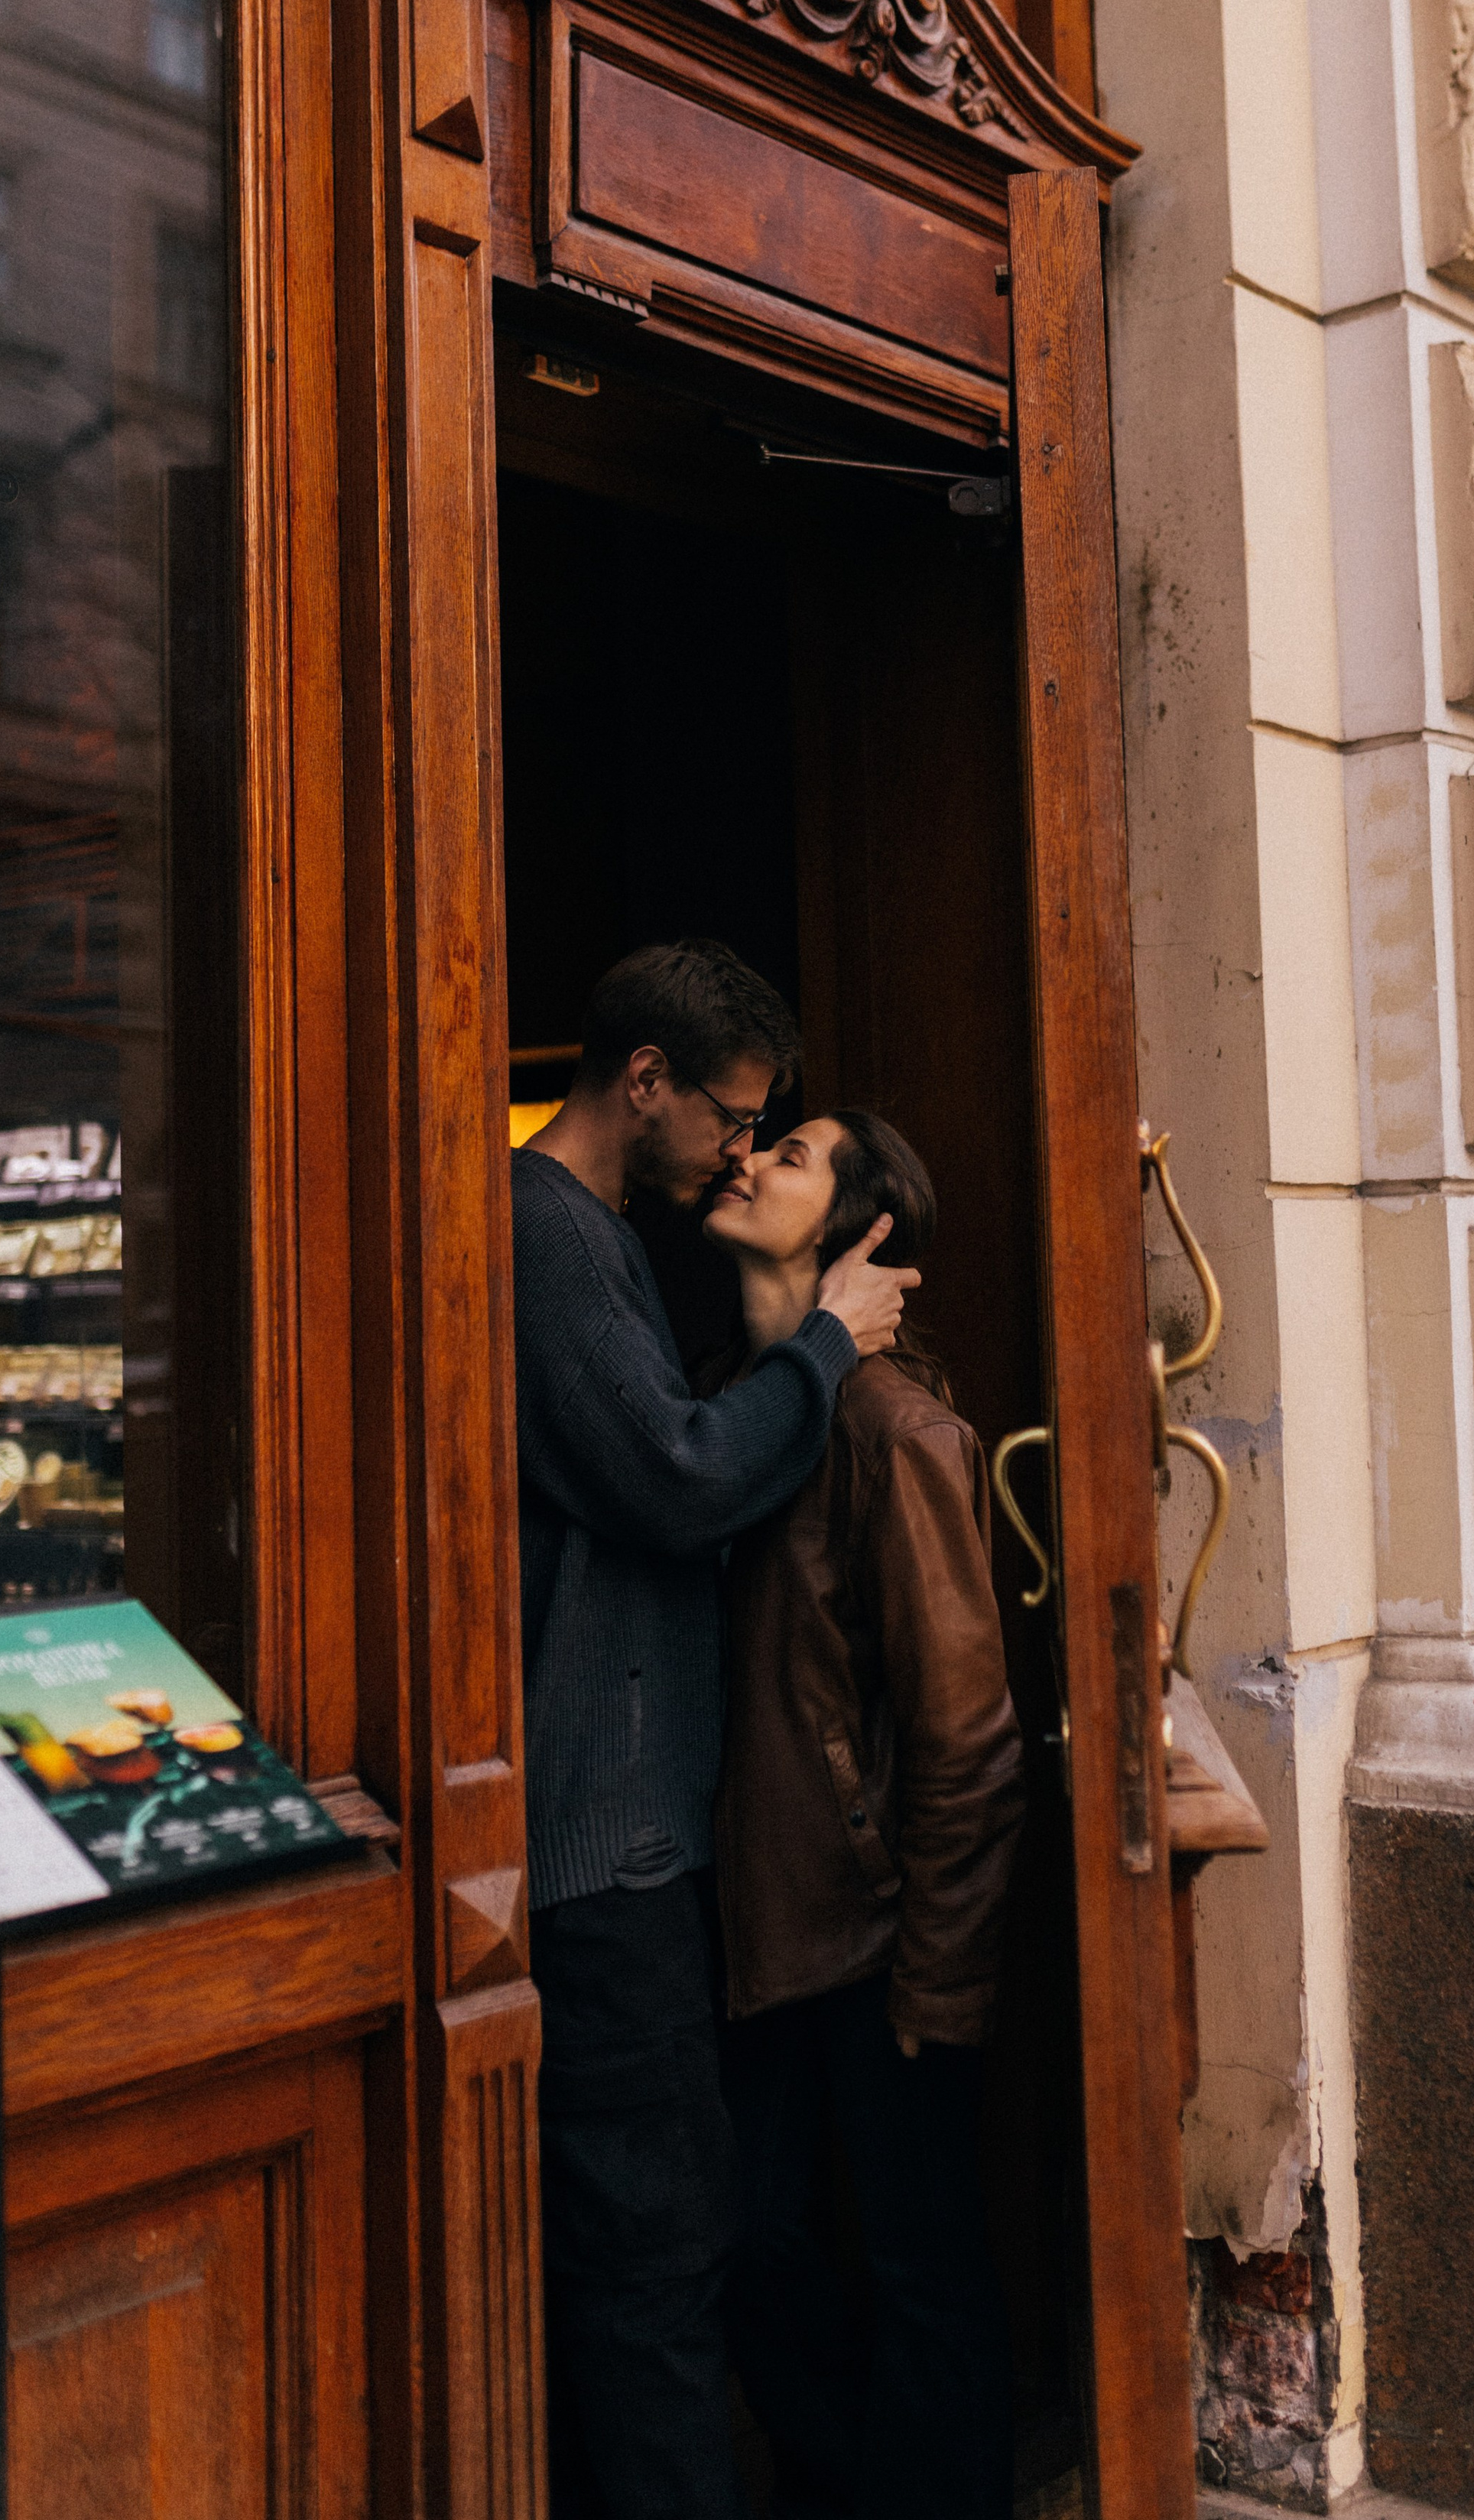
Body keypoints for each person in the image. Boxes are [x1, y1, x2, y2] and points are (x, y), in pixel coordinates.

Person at [512, 944, 918, 2520]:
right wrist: (826, 1342)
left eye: (767, 1133)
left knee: (664, 2249)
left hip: (638, 1852)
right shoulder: (550, 1231)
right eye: (733, 1117)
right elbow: (676, 1476)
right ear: (644, 1082)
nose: (739, 1151)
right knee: (656, 2263)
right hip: (602, 1860)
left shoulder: (598, 1234)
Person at [704, 1109, 1026, 2520]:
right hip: (756, 1922)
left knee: (919, 2267)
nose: (747, 1159)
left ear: (858, 1229)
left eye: (789, 1156)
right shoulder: (736, 1401)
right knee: (751, 2245)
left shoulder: (896, 1431)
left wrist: (938, 1983)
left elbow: (969, 1736)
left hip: (874, 1937)